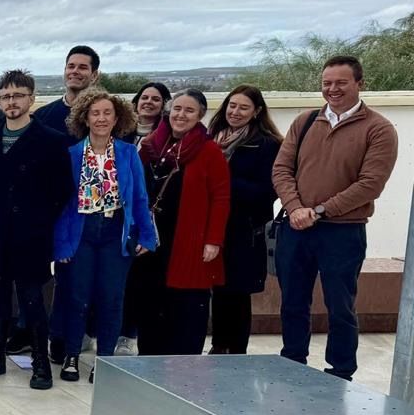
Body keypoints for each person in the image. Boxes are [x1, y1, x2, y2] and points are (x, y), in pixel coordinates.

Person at [273, 55, 399, 381]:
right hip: (296, 227)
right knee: (293, 303)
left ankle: (340, 373)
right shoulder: (305, 122)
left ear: (360, 83)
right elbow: (282, 169)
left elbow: (370, 184)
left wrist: (318, 211)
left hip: (343, 232)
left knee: (341, 308)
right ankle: (292, 363)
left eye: (341, 82)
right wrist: (296, 207)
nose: (332, 89)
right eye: (327, 83)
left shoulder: (379, 129)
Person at [0, 70, 70, 390]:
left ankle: (40, 364)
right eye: (6, 96)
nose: (12, 102)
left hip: (31, 232)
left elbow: (62, 190)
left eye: (18, 96)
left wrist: (39, 220)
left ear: (31, 99)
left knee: (31, 297)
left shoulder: (51, 140)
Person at [52, 86, 156, 383]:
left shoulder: (127, 153)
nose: (100, 119)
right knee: (77, 296)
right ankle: (72, 355)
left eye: (106, 113)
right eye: (95, 113)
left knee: (111, 297)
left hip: (114, 231)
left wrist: (147, 236)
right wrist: (61, 243)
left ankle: (105, 359)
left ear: (116, 118)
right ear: (85, 118)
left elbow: (139, 197)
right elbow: (62, 203)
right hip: (81, 231)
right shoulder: (72, 154)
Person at [132, 89, 230, 356]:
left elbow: (221, 197)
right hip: (152, 239)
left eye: (188, 110)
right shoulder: (152, 145)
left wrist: (213, 240)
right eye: (177, 109)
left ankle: (183, 368)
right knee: (151, 302)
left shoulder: (209, 151)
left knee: (186, 306)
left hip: (189, 238)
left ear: (200, 115)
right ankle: (149, 361)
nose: (181, 115)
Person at [208, 86, 283, 355]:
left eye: (243, 107)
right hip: (214, 226)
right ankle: (218, 346)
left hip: (245, 229)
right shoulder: (212, 138)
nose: (235, 112)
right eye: (231, 105)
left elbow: (268, 191)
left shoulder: (267, 144)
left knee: (237, 293)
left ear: (257, 112)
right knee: (218, 289)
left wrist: (223, 177)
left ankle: (237, 350)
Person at [115, 80, 170, 356]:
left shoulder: (167, 139)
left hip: (147, 216)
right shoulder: (121, 133)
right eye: (144, 97)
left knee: (139, 280)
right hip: (116, 216)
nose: (148, 102)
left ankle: (128, 334)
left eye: (156, 99)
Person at [34, 45, 100, 134]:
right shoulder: (41, 116)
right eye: (71, 66)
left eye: (82, 67)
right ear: (65, 70)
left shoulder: (106, 117)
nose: (75, 71)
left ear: (94, 75)